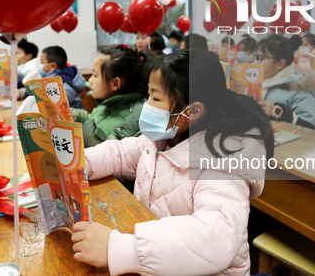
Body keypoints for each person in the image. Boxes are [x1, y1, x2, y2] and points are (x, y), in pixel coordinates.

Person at [71, 49, 274, 275]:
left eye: (156, 98)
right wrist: (76, 164)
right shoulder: (165, 136)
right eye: (148, 95)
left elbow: (216, 237)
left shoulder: (223, 164)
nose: (147, 105)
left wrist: (123, 249)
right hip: (158, 262)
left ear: (193, 111)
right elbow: (121, 153)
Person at [71, 45, 149, 148]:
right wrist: (69, 114)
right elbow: (93, 119)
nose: (90, 80)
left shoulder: (133, 120)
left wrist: (84, 133)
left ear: (115, 84)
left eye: (95, 75)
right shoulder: (107, 103)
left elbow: (111, 151)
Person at [256, 34, 315, 129]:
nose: (256, 63)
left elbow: (311, 128)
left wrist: (279, 112)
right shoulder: (255, 83)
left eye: (261, 58)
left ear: (280, 64)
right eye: (256, 58)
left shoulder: (300, 87)